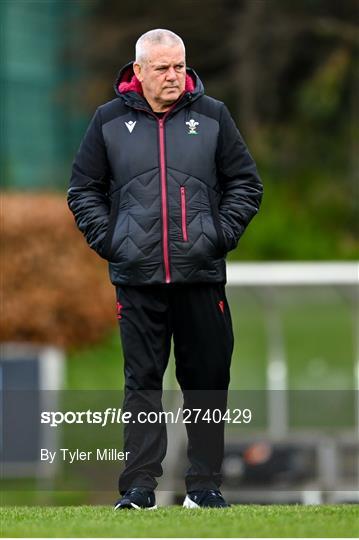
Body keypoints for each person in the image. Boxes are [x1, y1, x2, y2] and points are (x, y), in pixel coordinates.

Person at [68, 28, 263, 510]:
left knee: (207, 380)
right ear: (139, 72)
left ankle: (204, 487)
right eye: (162, 68)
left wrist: (218, 236)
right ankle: (138, 490)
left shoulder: (213, 116)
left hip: (202, 278)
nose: (174, 76)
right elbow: (82, 190)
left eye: (179, 66)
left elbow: (245, 183)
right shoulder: (108, 121)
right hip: (137, 281)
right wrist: (113, 241)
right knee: (142, 385)